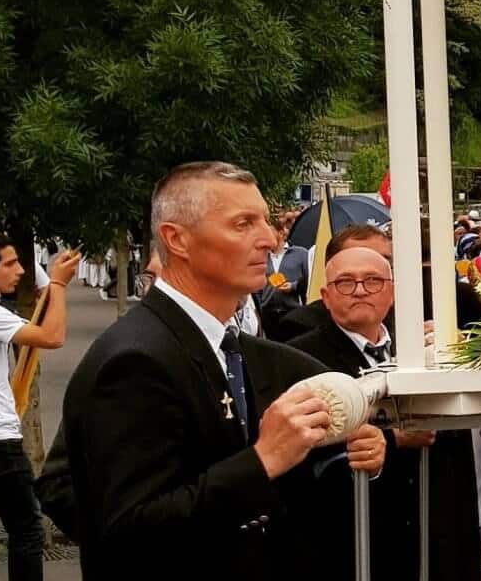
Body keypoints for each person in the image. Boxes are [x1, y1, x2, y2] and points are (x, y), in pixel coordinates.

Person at [60, 162, 386, 581]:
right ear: (176, 239)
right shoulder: (135, 360)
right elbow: (128, 531)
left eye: (265, 221)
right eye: (243, 223)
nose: (269, 239)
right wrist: (264, 459)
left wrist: (352, 442)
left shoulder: (227, 344)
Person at [286, 246, 481, 581]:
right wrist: (392, 439)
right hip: (356, 541)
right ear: (326, 296)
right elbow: (300, 455)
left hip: (434, 532)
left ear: (392, 291)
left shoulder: (424, 348)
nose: (360, 290)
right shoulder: (298, 359)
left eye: (373, 281)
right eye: (345, 283)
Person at [0, 235, 80, 581]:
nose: (19, 271)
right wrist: (60, 286)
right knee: (27, 531)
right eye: (9, 264)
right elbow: (52, 337)